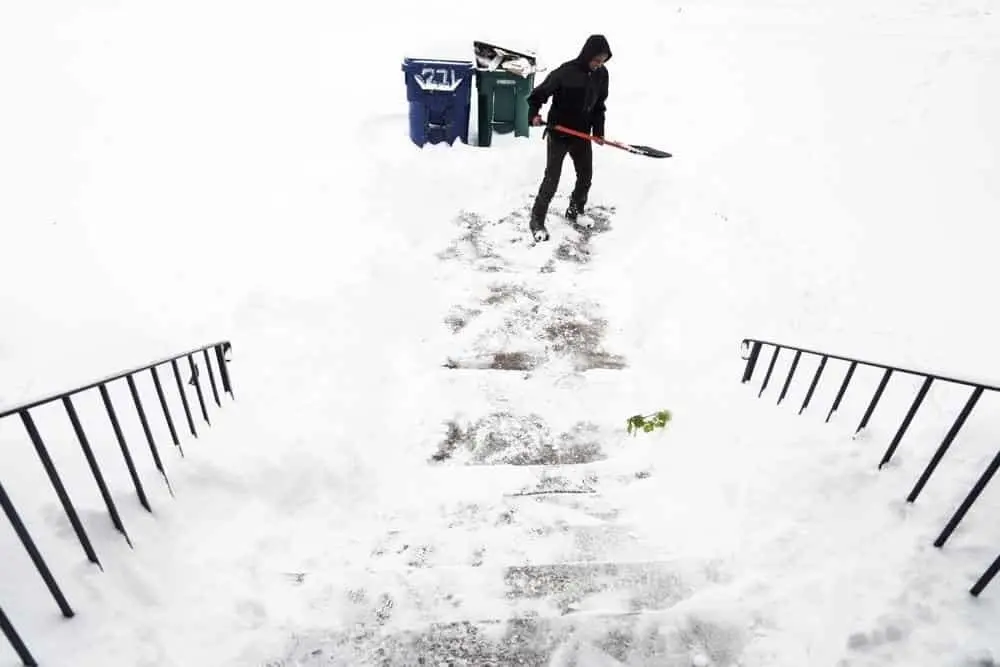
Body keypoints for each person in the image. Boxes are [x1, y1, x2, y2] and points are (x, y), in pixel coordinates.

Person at [526, 34, 612, 240]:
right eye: (596, 60)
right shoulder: (565, 73)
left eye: (602, 61)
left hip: (581, 134)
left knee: (585, 176)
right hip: (559, 133)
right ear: (587, 55)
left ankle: (575, 210)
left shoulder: (602, 75)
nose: (598, 65)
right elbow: (538, 94)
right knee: (551, 179)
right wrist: (534, 114)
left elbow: (599, 106)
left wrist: (598, 132)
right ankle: (537, 220)